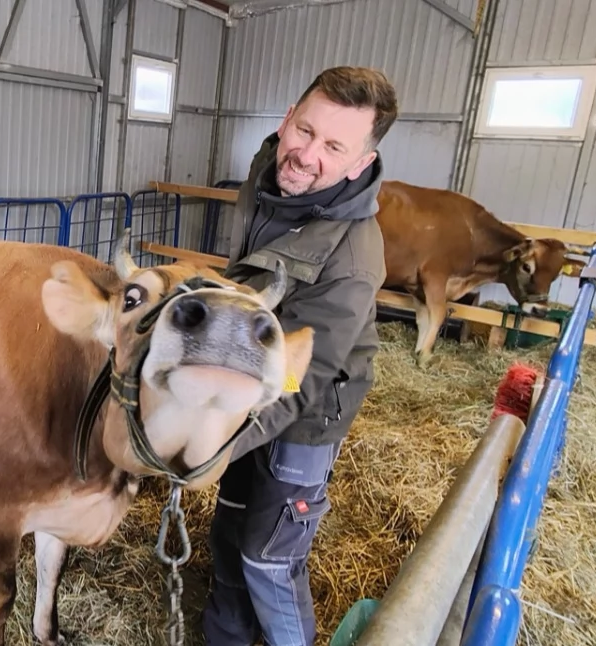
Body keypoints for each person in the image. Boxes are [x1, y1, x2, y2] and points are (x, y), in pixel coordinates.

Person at [200, 66, 399, 646]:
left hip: (304, 416)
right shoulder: (268, 172)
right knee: (230, 530)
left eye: (334, 146)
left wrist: (213, 446)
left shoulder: (353, 259)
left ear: (360, 163)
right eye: (304, 130)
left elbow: (302, 378)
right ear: (287, 118)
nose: (307, 154)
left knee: (269, 556)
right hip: (244, 383)